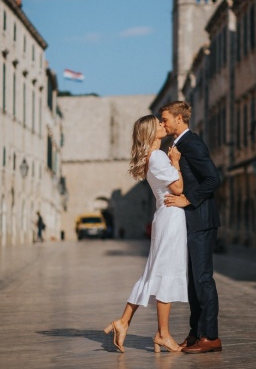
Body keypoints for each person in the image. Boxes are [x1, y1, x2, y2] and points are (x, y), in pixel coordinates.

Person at [104, 115, 188, 353]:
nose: (164, 125)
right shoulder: (160, 157)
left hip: (164, 215)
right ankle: (163, 334)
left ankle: (123, 321)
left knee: (154, 274)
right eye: (159, 124)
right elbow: (178, 188)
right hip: (171, 217)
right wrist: (176, 162)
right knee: (165, 273)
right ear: (151, 131)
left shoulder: (150, 158)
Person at [161, 101, 222, 354]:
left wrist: (189, 198)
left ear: (178, 119)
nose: (163, 123)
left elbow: (212, 178)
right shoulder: (178, 145)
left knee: (203, 280)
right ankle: (196, 333)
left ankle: (211, 336)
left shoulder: (192, 143)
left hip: (201, 221)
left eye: (165, 119)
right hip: (190, 223)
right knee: (192, 283)